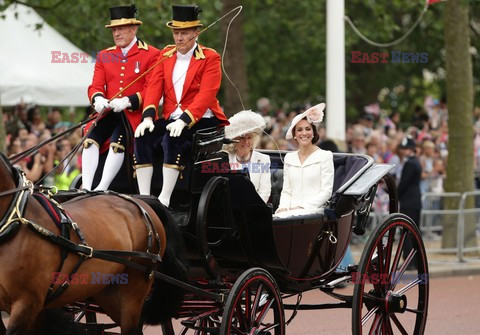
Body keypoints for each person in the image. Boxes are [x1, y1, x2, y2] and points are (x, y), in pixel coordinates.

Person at [134, 4, 229, 207]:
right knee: (142, 136)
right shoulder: (166, 54)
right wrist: (148, 117)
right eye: (176, 33)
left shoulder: (210, 57)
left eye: (184, 33)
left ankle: (164, 199)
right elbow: (154, 86)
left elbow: (206, 95)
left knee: (172, 139)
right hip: (171, 119)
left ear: (197, 32)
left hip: (202, 119)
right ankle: (144, 198)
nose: (179, 38)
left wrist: (185, 119)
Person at [82, 4, 160, 191]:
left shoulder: (152, 54)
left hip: (134, 116)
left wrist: (128, 101)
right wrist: (98, 99)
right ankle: (85, 187)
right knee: (89, 138)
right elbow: (96, 85)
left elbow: (153, 90)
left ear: (134, 28)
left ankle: (101, 188)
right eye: (114, 29)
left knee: (118, 142)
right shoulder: (104, 55)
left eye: (121, 29)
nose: (116, 34)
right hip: (109, 112)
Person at [274, 103, 334, 217]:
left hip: (314, 211)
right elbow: (287, 191)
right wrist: (283, 208)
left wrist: (302, 207)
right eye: (299, 130)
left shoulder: (325, 156)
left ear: (313, 133)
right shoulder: (289, 158)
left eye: (308, 129)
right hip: (289, 211)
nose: (304, 133)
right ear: (295, 135)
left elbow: (326, 192)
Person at [224, 110, 271, 203]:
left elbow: (264, 192)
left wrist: (252, 208)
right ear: (234, 141)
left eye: (249, 137)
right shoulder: (226, 158)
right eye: (242, 137)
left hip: (256, 208)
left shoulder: (263, 159)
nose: (246, 142)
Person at [397, 136, 422, 268]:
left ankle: (408, 261)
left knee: (407, 232)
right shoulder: (416, 162)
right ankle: (416, 261)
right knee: (414, 231)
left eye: (406, 148)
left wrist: (396, 194)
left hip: (408, 201)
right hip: (415, 200)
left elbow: (404, 184)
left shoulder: (410, 163)